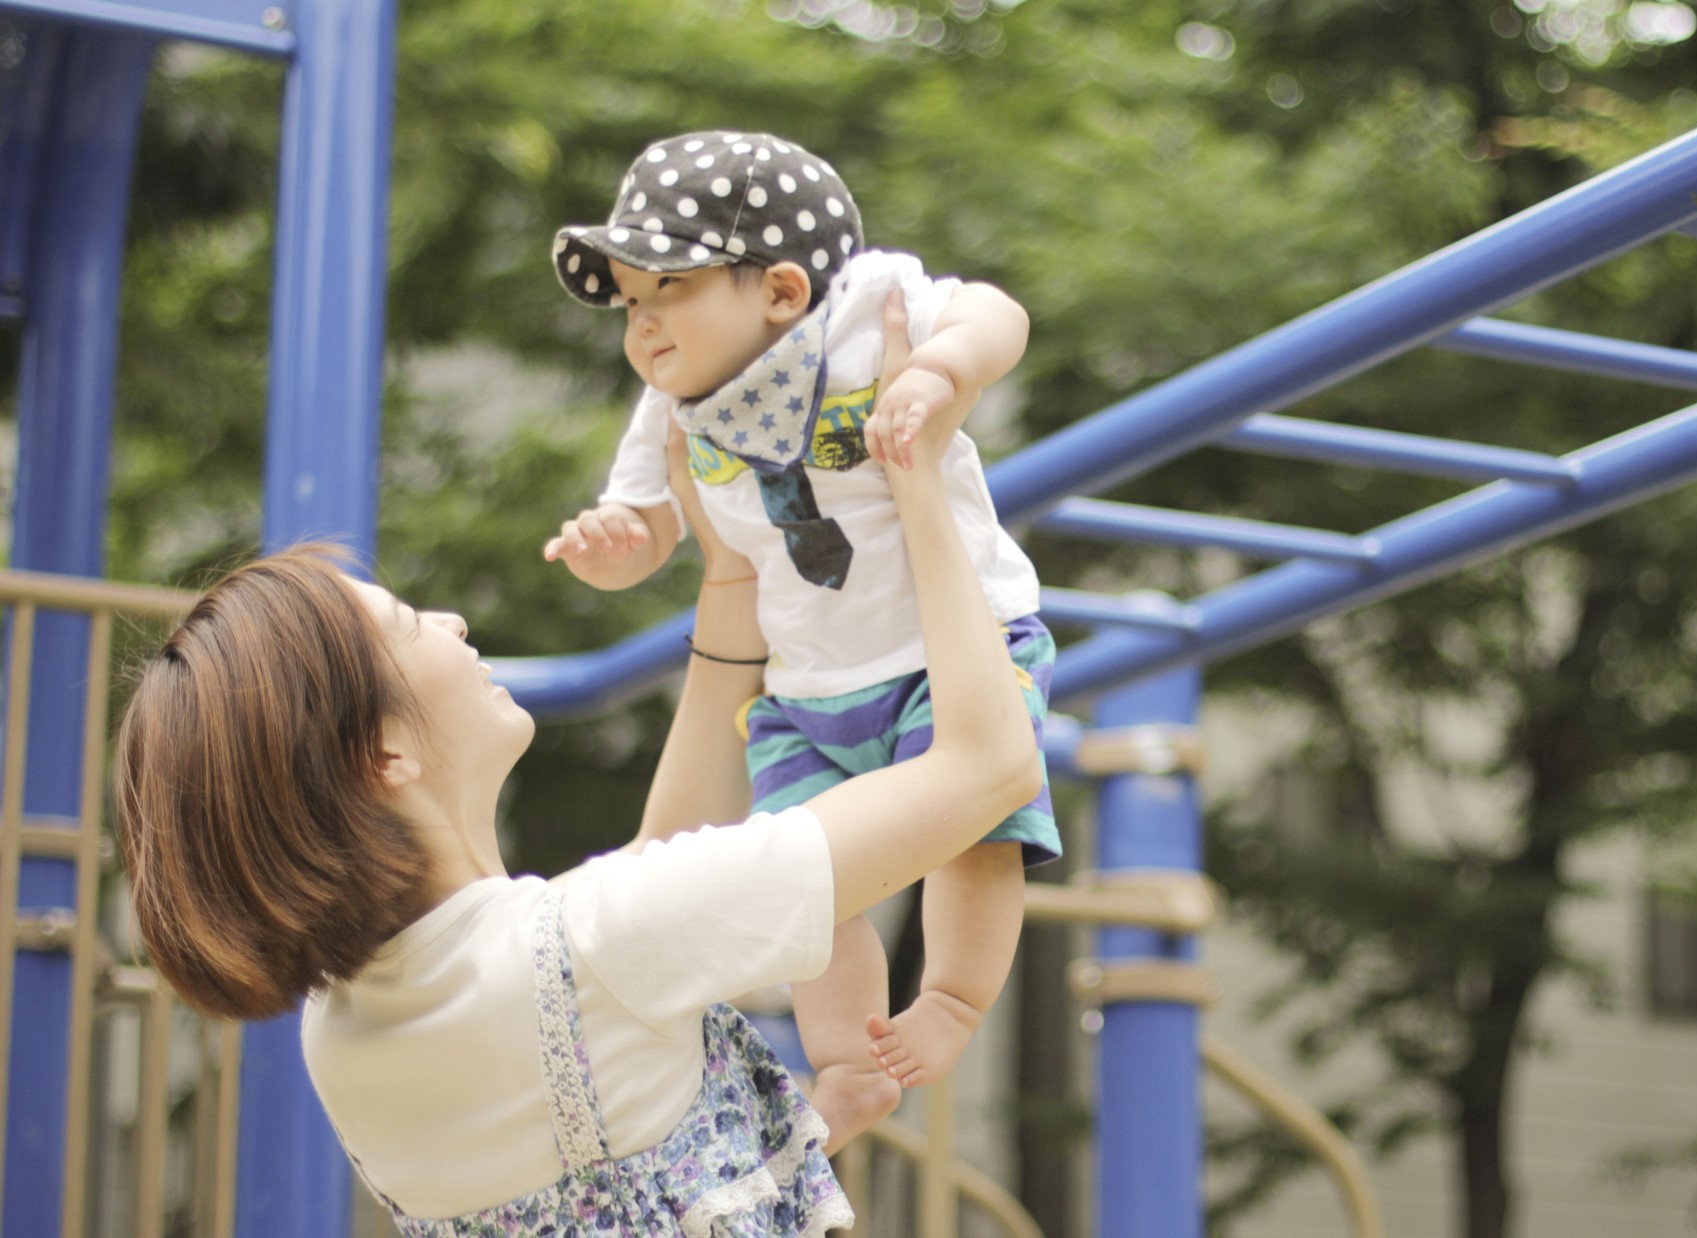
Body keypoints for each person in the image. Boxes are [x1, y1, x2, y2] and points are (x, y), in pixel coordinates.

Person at [113, 302, 1042, 1231]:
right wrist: (915, 476)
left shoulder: (345, 1034)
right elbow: (989, 765)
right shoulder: (604, 944)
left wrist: (731, 578)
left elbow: (646, 888)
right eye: (408, 627)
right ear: (381, 753)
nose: (451, 625)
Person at [541, 130, 1054, 1133]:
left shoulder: (867, 312)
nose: (641, 329)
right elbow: (652, 523)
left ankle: (949, 999)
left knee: (975, 832)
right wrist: (619, 545)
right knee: (802, 882)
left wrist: (940, 373)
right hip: (807, 687)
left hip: (946, 652)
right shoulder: (673, 408)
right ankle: (846, 1057)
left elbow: (999, 312)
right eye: (630, 307)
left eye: (665, 293)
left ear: (779, 289)